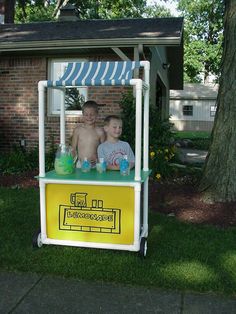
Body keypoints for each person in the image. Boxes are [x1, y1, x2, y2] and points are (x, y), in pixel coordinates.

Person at [71, 100, 105, 168]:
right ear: (83, 115)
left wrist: (98, 158)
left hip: (95, 165)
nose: (89, 117)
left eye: (92, 114)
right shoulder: (78, 130)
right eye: (86, 115)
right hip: (80, 165)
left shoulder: (100, 132)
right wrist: (72, 163)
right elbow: (73, 149)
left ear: (97, 115)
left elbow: (104, 149)